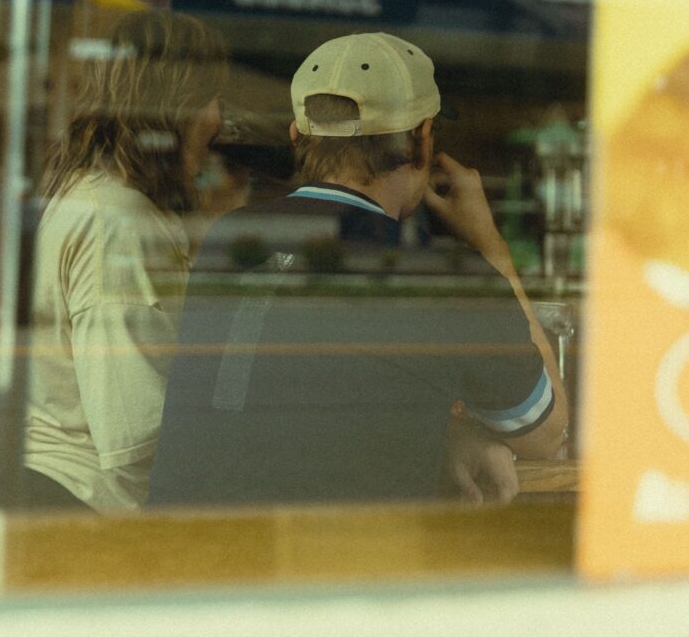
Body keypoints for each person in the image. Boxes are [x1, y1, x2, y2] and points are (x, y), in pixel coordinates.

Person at [148, 32, 568, 507]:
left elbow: (282, 417)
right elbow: (546, 436)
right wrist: (491, 246)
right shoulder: (446, 277)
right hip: (336, 568)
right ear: (422, 141)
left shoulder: (228, 239)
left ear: (297, 136)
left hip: (188, 559)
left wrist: (447, 436)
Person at [19, 10, 228, 513]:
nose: (218, 117)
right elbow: (135, 433)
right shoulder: (120, 223)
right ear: (176, 108)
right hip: (91, 507)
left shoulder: (96, 193)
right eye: (209, 97)